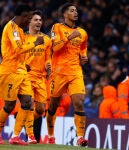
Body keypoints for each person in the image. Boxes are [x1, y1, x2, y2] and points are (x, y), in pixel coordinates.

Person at [0, 4, 44, 145]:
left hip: (21, 70)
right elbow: (18, 49)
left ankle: (15, 136)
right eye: (29, 18)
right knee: (9, 106)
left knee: (27, 102)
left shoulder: (19, 29)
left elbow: (18, 53)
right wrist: (35, 43)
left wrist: (24, 63)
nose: (29, 21)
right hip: (10, 71)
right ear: (23, 16)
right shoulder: (11, 28)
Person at [46, 3, 88, 146]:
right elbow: (54, 47)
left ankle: (80, 137)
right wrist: (69, 37)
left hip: (75, 71)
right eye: (72, 10)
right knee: (52, 106)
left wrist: (84, 57)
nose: (75, 12)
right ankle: (51, 135)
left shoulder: (83, 32)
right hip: (58, 73)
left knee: (79, 103)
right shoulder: (57, 27)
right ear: (65, 14)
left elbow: (83, 48)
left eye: (76, 10)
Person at [24, 10, 52, 144]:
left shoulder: (46, 40)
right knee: (29, 103)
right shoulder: (23, 38)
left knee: (40, 109)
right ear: (29, 22)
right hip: (26, 76)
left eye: (40, 20)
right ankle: (30, 135)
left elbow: (48, 58)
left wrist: (48, 65)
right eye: (35, 20)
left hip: (41, 77)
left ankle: (25, 120)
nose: (39, 22)